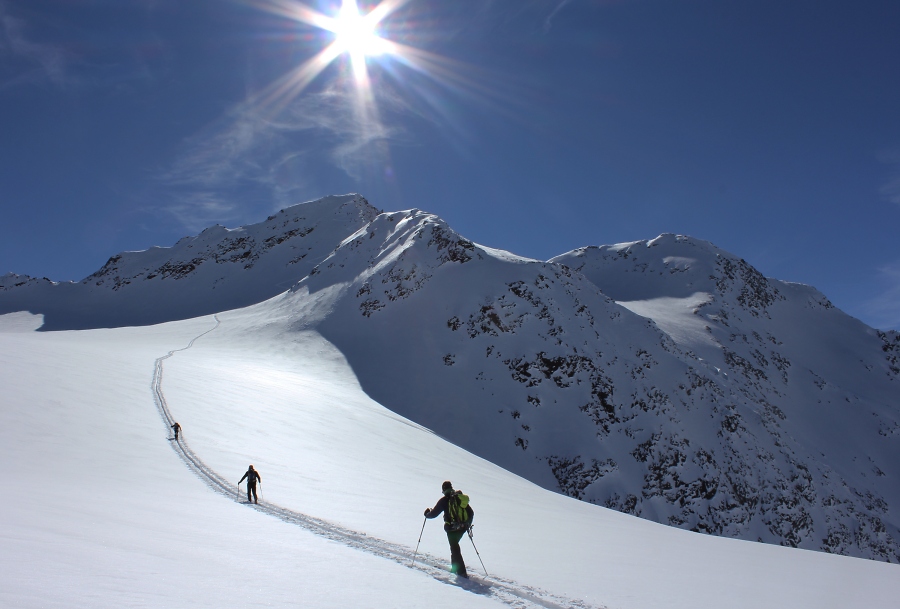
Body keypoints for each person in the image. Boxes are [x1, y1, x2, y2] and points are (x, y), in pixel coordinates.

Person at [424, 480, 474, 578]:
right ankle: (455, 569)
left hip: (452, 528)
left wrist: (426, 514)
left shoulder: (444, 500)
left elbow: (433, 514)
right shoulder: (459, 498)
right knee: (454, 547)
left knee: (455, 548)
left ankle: (461, 573)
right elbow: (471, 512)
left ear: (443, 490)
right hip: (463, 527)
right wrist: (467, 524)